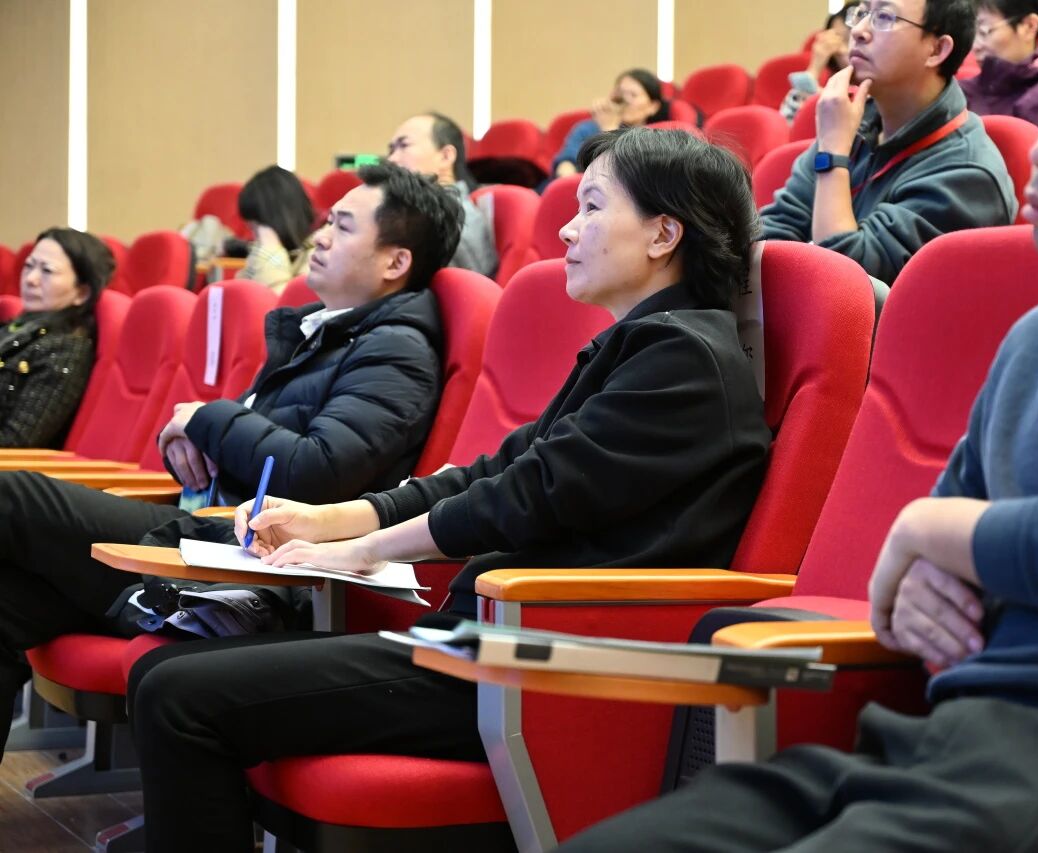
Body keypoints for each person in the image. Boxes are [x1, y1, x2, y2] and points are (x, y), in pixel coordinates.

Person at [556, 1, 1038, 850]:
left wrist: (925, 529)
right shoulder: (1036, 339)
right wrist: (939, 551)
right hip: (934, 739)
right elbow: (926, 580)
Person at [125, 127, 772, 853]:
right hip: (496, 640)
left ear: (663, 233)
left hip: (546, 662)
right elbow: (489, 472)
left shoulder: (683, 358)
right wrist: (332, 520)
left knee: (176, 693)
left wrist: (364, 550)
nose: (567, 227)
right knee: (165, 674)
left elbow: (522, 496)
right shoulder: (642, 347)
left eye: (592, 207)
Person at [0, 162, 462, 760]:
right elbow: (240, 448)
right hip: (212, 531)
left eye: (342, 227)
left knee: (13, 497)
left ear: (395, 262)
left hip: (259, 562)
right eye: (326, 222)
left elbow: (316, 470)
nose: (319, 237)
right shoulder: (325, 334)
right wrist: (193, 438)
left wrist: (206, 418)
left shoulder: (395, 350)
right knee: (7, 599)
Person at [761, 0, 1017, 286]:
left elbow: (845, 285)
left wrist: (832, 154)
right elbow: (773, 231)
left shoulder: (968, 173)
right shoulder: (856, 122)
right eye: (861, 13)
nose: (858, 30)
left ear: (936, 50)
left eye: (884, 17)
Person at [0, 228, 114, 447]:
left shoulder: (65, 349)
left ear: (82, 293)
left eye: (47, 271)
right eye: (29, 266)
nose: (31, 279)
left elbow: (16, 442)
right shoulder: (17, 327)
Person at [386, 110, 499, 278]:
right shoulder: (419, 215)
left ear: (446, 156)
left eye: (404, 146)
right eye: (391, 150)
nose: (391, 160)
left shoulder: (456, 224)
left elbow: (473, 291)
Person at [552, 69, 671, 177]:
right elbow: (567, 161)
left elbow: (627, 176)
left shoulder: (654, 140)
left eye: (633, 95)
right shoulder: (588, 128)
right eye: (620, 93)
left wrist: (609, 129)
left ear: (653, 107)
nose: (625, 100)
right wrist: (567, 177)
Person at [960, 0, 1038, 125]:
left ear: (1029, 26)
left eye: (983, 31)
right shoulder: (960, 93)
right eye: (973, 33)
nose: (975, 46)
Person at [237, 165, 317, 293]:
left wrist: (270, 251)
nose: (255, 236)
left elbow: (283, 302)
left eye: (256, 228)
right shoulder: (288, 252)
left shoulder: (318, 256)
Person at [779, 2, 857, 124]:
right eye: (838, 41)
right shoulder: (831, 92)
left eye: (850, 40)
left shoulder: (881, 91)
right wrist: (815, 66)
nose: (841, 49)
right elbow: (788, 123)